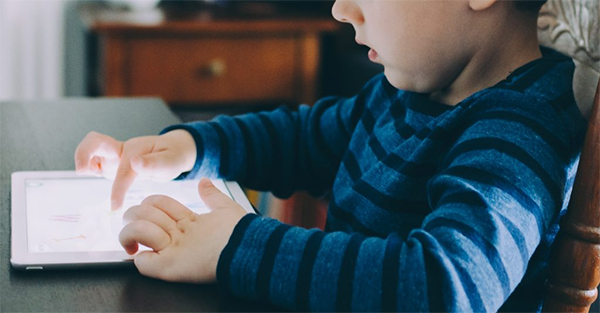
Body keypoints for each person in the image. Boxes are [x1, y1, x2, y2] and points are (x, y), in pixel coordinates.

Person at [74, 0, 587, 311]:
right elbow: (301, 139)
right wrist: (192, 147)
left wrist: (237, 244)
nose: (342, 9)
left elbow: (445, 287)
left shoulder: (521, 130)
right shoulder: (406, 92)